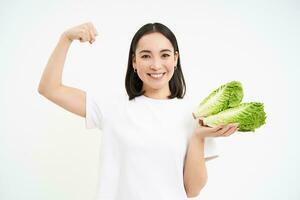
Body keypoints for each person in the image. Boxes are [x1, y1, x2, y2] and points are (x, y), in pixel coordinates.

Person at [38, 22, 239, 200]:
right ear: (134, 61)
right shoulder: (112, 106)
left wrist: (198, 137)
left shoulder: (195, 114)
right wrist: (66, 38)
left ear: (175, 59)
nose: (156, 65)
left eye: (165, 55)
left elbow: (192, 190)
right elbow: (50, 88)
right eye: (145, 56)